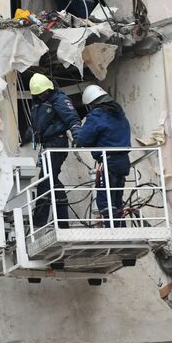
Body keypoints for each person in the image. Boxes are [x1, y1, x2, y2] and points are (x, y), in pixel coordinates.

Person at [29, 73, 81, 229]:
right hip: (47, 145)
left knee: (45, 180)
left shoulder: (59, 100)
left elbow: (73, 119)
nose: (42, 95)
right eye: (39, 93)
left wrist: (77, 136)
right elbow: (38, 125)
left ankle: (39, 221)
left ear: (49, 89)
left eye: (44, 92)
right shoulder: (38, 103)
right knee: (53, 181)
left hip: (57, 143)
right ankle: (62, 221)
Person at [77, 84, 131, 226]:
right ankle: (121, 229)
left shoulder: (97, 115)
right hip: (123, 161)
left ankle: (113, 230)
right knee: (116, 199)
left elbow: (83, 139)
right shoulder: (120, 114)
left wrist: (77, 135)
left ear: (92, 103)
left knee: (104, 199)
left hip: (108, 161)